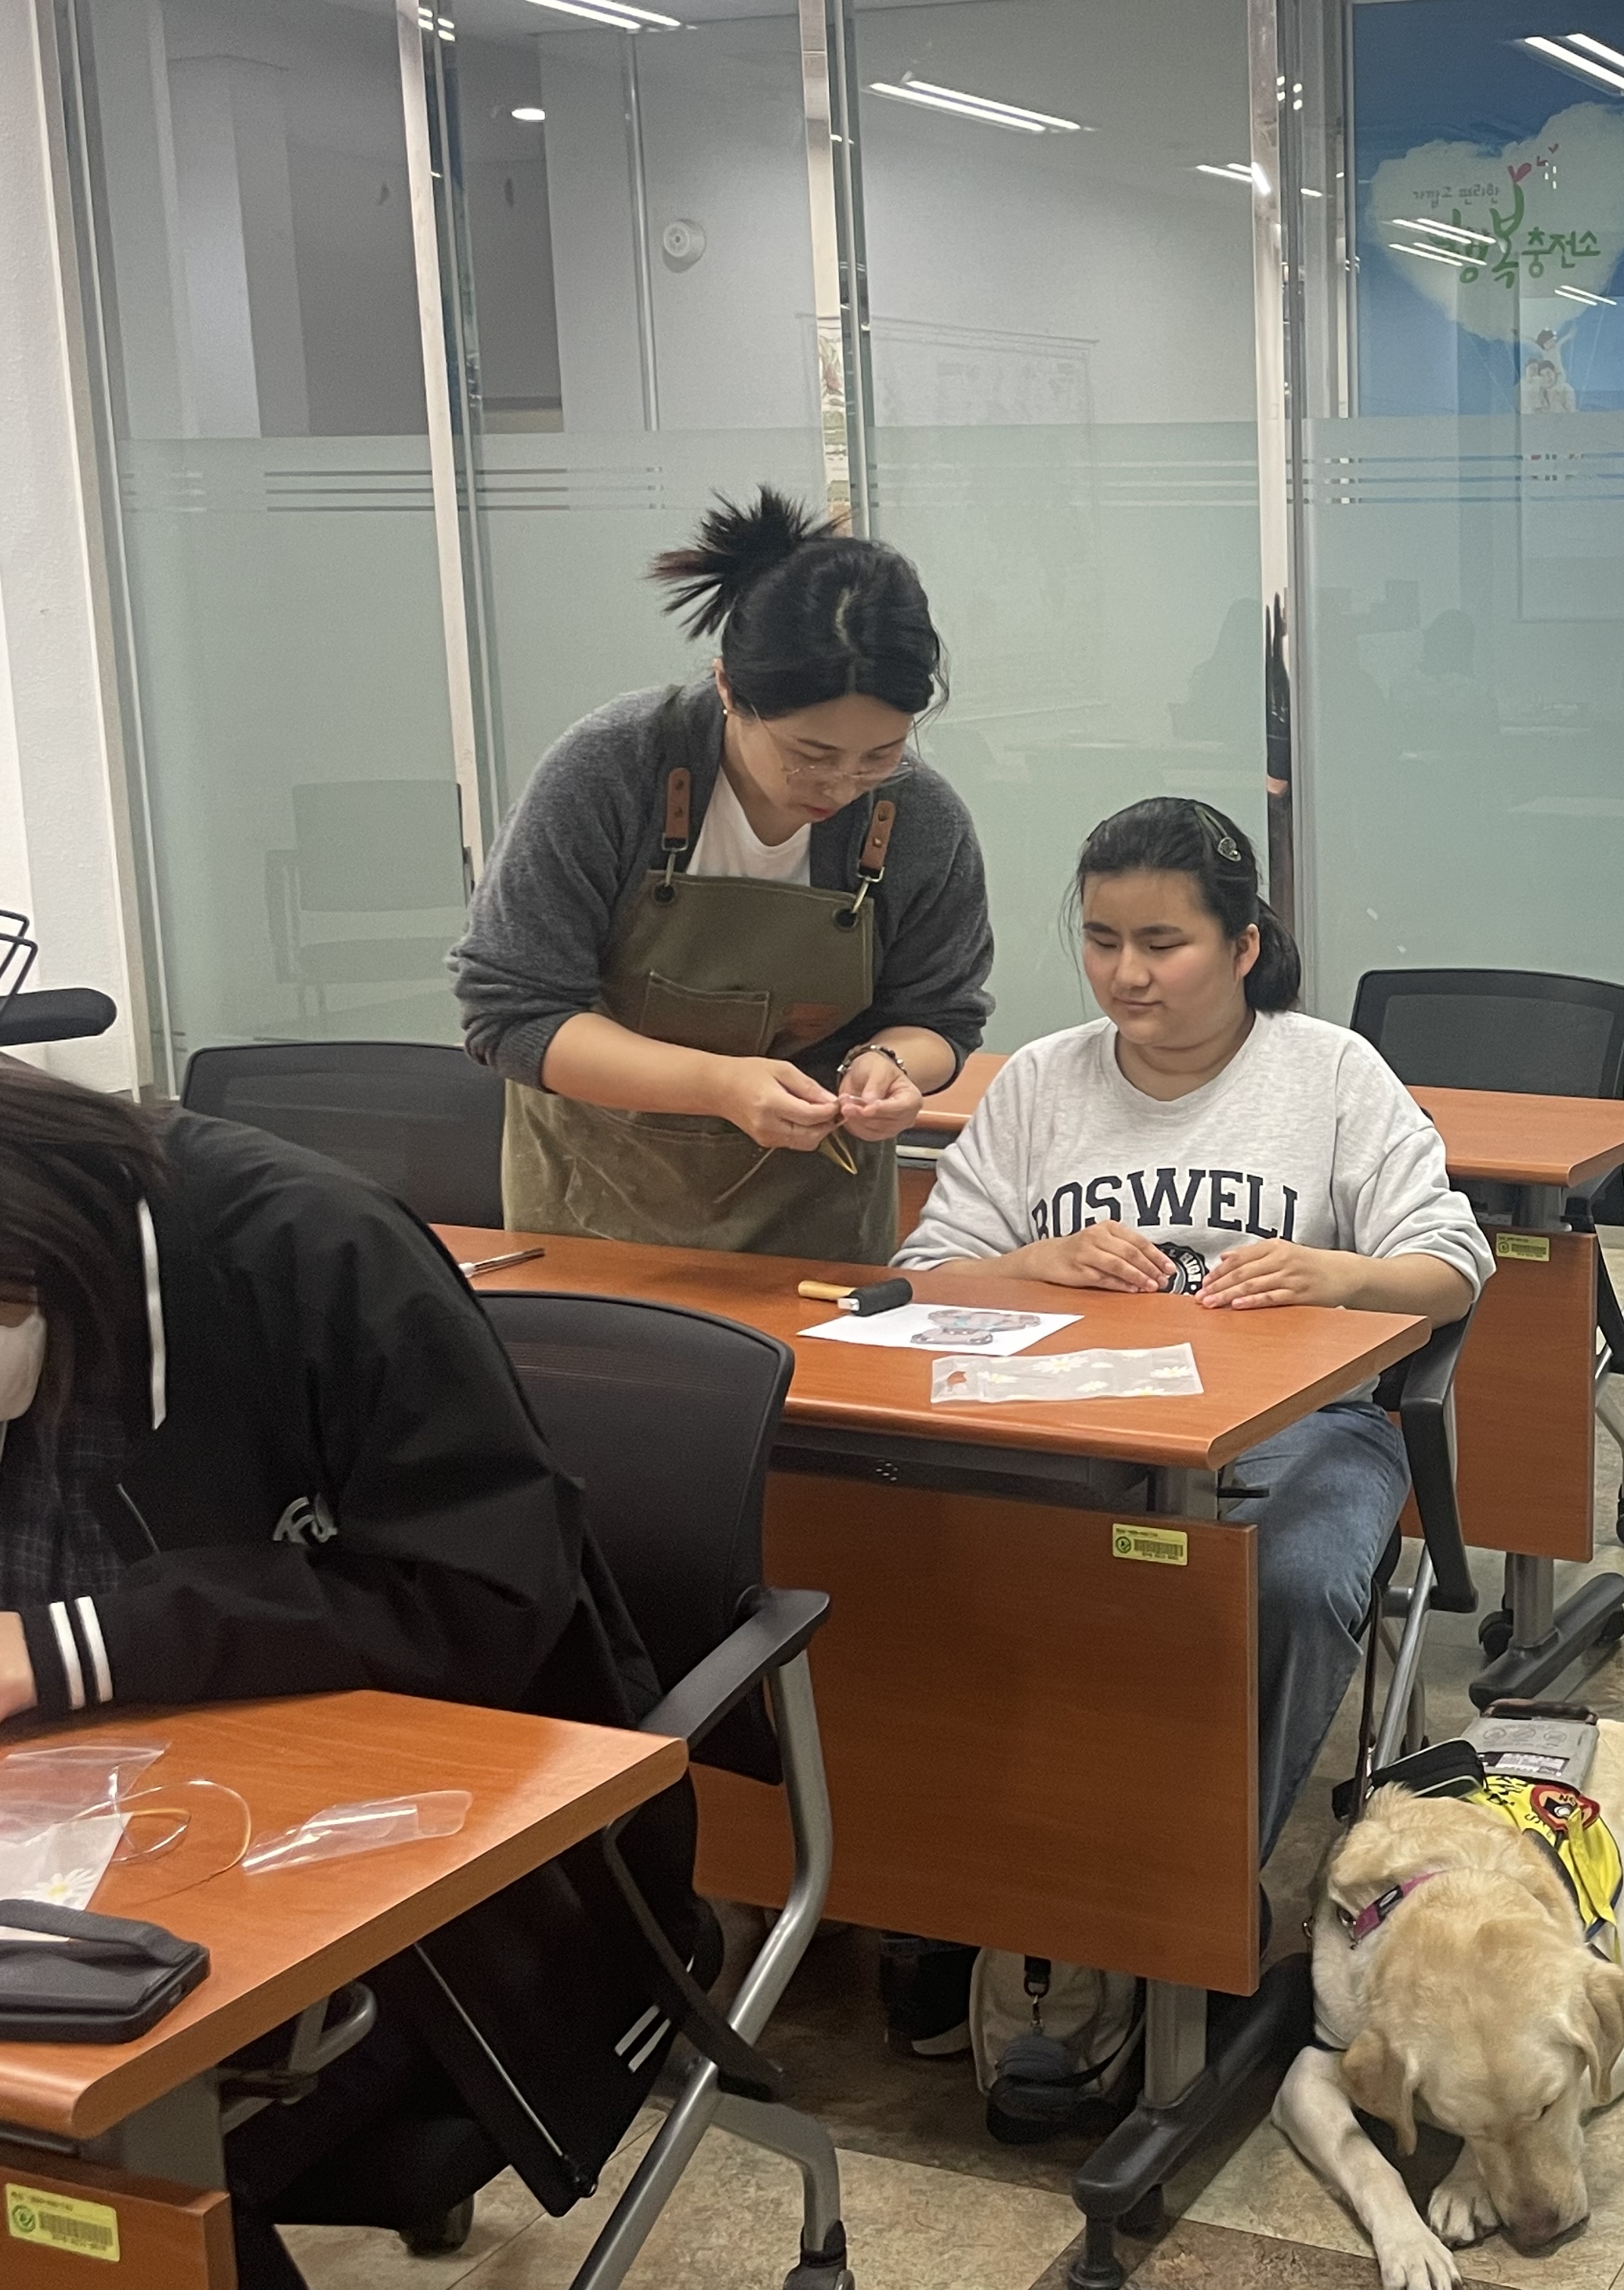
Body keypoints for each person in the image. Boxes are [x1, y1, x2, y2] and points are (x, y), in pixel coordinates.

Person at [0, 1059, 684, 2289]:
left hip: (446, 1907)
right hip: (94, 1832)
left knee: (85, 2172)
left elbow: (478, 1603)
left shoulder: (306, 1247)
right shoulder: (39, 1282)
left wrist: (71, 1646)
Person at [890, 796, 1490, 2120]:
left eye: (1162, 942)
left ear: (1243, 944)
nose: (1126, 973)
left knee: (1279, 1585)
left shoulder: (1328, 1074)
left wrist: (1333, 1272)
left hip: (1306, 1427)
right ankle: (961, 1886)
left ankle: (1162, 1900)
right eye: (1102, 939)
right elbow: (924, 1273)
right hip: (1072, 1426)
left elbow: (1454, 1264)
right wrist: (1034, 1261)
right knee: (922, 1551)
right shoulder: (1041, 1081)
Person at [454, 486, 994, 1260]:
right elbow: (512, 1014)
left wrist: (890, 1065)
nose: (842, 785)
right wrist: (719, 1086)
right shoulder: (613, 772)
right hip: (594, 1212)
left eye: (879, 755)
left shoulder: (920, 819)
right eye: (810, 754)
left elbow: (941, 1016)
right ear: (728, 689)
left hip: (814, 1224)